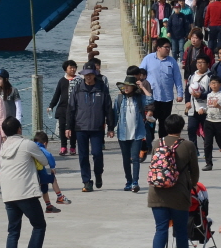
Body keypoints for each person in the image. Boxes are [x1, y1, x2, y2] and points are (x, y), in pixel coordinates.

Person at [0, 116, 49, 248]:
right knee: (39, 225)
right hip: (25, 191)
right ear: (19, 129)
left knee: (13, 230)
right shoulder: (27, 144)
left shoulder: (4, 146)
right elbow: (45, 161)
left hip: (8, 193)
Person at [148, 115, 197, 248]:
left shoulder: (157, 143)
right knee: (181, 231)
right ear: (181, 128)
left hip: (157, 194)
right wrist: (191, 186)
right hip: (179, 194)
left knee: (161, 229)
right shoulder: (188, 145)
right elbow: (194, 172)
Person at [68, 64, 116, 193]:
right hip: (80, 127)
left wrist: (110, 127)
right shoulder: (77, 88)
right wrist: (68, 126)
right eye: (86, 74)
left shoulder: (102, 88)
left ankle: (98, 173)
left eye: (90, 74)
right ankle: (86, 181)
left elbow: (108, 108)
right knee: (83, 156)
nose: (88, 77)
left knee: (97, 153)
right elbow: (71, 108)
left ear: (94, 74)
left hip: (97, 127)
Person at [140, 39, 184, 138]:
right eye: (166, 47)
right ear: (158, 48)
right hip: (151, 98)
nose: (168, 49)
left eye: (169, 47)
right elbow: (140, 74)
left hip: (166, 98)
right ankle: (148, 145)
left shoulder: (172, 61)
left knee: (165, 124)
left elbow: (177, 78)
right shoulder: (148, 59)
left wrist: (180, 94)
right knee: (149, 122)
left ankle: (162, 144)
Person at [114, 75, 148, 193]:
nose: (126, 88)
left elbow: (150, 100)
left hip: (137, 134)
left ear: (134, 87)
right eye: (125, 86)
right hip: (123, 134)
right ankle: (128, 181)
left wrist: (142, 87)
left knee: (135, 159)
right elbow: (114, 115)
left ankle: (135, 182)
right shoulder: (119, 99)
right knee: (125, 159)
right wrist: (110, 129)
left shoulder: (139, 99)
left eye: (129, 86)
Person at [201, 77, 221, 172]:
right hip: (209, 121)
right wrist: (203, 110)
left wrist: (219, 106)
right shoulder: (209, 95)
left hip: (219, 122)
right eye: (212, 83)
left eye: (216, 83)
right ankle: (208, 163)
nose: (214, 85)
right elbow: (208, 107)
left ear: (220, 84)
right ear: (209, 85)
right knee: (207, 143)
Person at [48, 60, 79, 156]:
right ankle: (63, 146)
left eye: (74, 67)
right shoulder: (62, 81)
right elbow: (57, 94)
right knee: (62, 127)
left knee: (73, 127)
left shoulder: (79, 80)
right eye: (70, 68)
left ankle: (73, 147)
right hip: (63, 108)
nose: (73, 69)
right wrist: (51, 106)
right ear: (65, 69)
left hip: (75, 108)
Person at [32, 132, 67, 212]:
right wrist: (52, 167)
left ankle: (49, 206)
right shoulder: (40, 147)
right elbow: (49, 156)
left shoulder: (33, 147)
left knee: (44, 189)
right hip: (39, 174)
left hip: (35, 174)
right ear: (45, 143)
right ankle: (59, 197)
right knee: (52, 179)